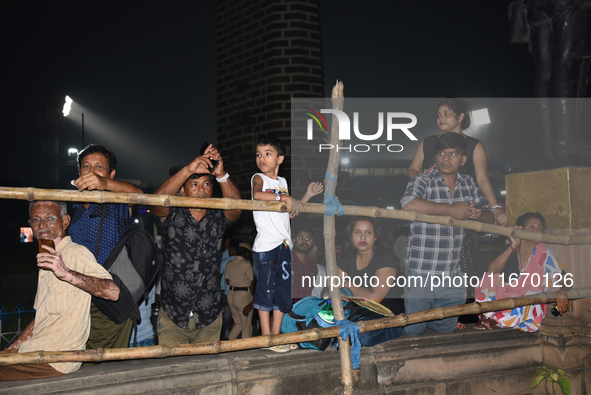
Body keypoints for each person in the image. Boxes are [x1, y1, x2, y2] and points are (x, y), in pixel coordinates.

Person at [0, 201, 119, 381]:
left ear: (65, 221)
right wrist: (13, 347)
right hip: (35, 350)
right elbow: (42, 315)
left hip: (56, 357)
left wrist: (66, 273)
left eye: (50, 218)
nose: (42, 225)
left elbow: (113, 292)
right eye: (35, 219)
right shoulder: (48, 257)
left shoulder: (75, 253)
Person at [401, 132, 496, 336]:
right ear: (435, 157)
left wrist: (479, 215)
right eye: (442, 153)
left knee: (445, 327)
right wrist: (451, 209)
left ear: (463, 160)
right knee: (414, 329)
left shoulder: (469, 183)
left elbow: (492, 217)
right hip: (421, 272)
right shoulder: (423, 180)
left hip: (452, 275)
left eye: (453, 154)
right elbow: (409, 204)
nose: (446, 158)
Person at [407, 98, 508, 280]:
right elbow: (412, 169)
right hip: (433, 211)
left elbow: (483, 179)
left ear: (461, 117)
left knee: (466, 264)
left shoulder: (474, 145)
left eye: (447, 114)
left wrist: (496, 208)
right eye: (438, 115)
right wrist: (422, 179)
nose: (441, 119)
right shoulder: (429, 143)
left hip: (463, 214)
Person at [152, 144, 241, 345]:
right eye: (194, 185)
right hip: (173, 315)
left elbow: (236, 208)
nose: (201, 189)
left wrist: (221, 174)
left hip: (208, 316)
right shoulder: (171, 214)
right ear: (182, 190)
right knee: (173, 372)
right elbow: (155, 202)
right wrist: (188, 170)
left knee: (208, 373)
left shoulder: (218, 215)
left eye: (206, 184)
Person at [68, 144, 143, 350]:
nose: (91, 172)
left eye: (99, 167)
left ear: (111, 173)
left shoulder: (119, 203)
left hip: (111, 302)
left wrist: (105, 184)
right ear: (79, 173)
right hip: (77, 300)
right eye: (86, 166)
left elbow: (139, 194)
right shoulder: (72, 208)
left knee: (109, 369)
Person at [251, 136, 323, 343]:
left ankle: (277, 336)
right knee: (266, 291)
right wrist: (283, 197)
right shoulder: (259, 178)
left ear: (280, 159)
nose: (262, 158)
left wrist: (306, 196)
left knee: (283, 292)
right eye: (258, 154)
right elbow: (257, 195)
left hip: (284, 246)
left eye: (268, 154)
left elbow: (289, 213)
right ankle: (266, 338)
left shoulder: (282, 182)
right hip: (266, 246)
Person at [475, 213, 570, 332]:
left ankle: (494, 320)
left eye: (540, 228)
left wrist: (562, 291)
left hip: (526, 306)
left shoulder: (543, 254)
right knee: (490, 277)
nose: (537, 230)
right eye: (532, 227)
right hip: (503, 300)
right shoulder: (509, 249)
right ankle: (486, 316)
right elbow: (493, 270)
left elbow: (567, 280)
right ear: (520, 229)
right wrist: (513, 245)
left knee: (531, 295)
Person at [337, 217, 405, 346]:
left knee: (360, 336)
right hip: (358, 314)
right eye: (357, 232)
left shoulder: (386, 259)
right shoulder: (347, 258)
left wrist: (347, 285)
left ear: (375, 237)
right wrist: (329, 293)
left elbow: (374, 299)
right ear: (351, 237)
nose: (363, 237)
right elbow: (330, 286)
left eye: (368, 232)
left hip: (387, 317)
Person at [225, 242, 255, 339]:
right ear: (247, 253)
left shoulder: (229, 264)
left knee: (238, 323)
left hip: (231, 295)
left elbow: (227, 281)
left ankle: (228, 343)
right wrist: (252, 299)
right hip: (243, 295)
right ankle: (246, 350)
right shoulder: (246, 264)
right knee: (246, 325)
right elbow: (252, 281)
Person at [292, 228, 324, 303]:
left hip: (305, 308)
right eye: (300, 238)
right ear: (294, 241)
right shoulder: (286, 261)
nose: (304, 241)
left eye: (308, 239)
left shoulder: (313, 266)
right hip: (287, 309)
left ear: (313, 242)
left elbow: (310, 289)